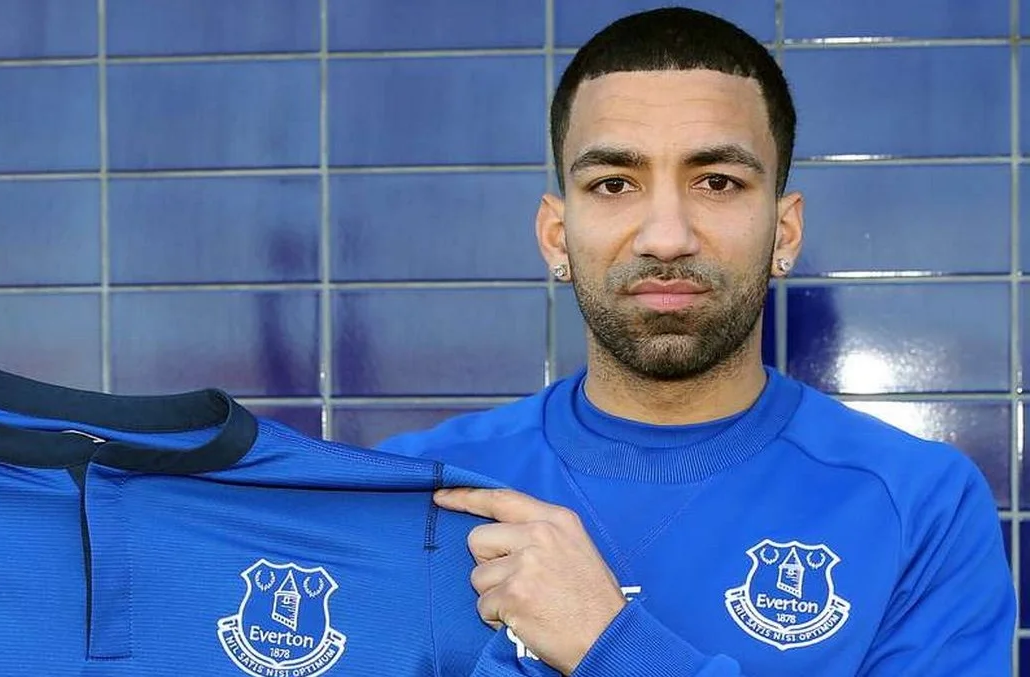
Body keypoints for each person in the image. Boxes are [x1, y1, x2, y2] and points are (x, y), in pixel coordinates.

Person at [378, 7, 1016, 676]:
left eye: (717, 182)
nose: (666, 237)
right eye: (614, 184)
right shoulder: (416, 492)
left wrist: (611, 646)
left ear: (785, 232)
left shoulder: (921, 506)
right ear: (556, 237)